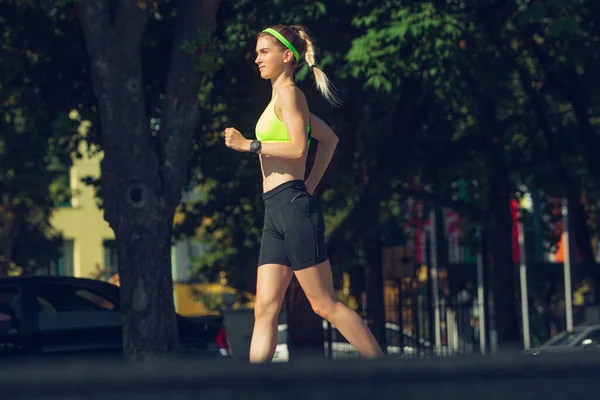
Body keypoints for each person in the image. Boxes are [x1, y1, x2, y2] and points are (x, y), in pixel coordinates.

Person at [224, 24, 384, 362]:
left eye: (263, 52)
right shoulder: (279, 100)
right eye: (256, 53)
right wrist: (308, 186)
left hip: (292, 209)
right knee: (264, 309)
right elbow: (329, 139)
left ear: (286, 56)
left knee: (324, 304)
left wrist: (248, 145)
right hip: (277, 210)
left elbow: (299, 148)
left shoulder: (291, 94)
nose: (257, 59)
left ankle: (388, 372)